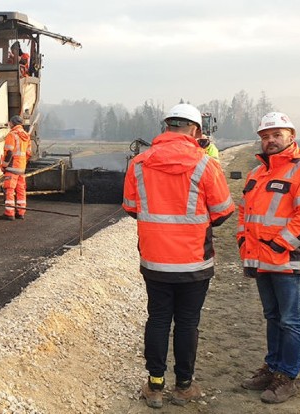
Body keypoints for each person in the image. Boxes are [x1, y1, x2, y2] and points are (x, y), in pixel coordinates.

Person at [122, 103, 234, 408]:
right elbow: (224, 212)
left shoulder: (139, 164)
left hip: (155, 260)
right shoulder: (205, 164)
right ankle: (184, 385)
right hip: (195, 262)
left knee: (158, 318)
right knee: (187, 322)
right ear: (196, 131)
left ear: (165, 127)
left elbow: (131, 207)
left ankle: (154, 386)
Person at [237, 112, 300, 404]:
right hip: (262, 260)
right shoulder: (257, 173)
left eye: (276, 135)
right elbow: (245, 213)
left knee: (290, 320)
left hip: (289, 260)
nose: (270, 141)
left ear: (291, 136)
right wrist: (243, 242)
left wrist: (278, 245)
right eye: (265, 136)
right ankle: (272, 367)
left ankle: (286, 377)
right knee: (273, 317)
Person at [0, 115, 32, 221]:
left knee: (9, 189)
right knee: (21, 190)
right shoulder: (26, 136)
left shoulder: (12, 135)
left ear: (12, 123)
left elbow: (9, 152)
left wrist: (4, 166)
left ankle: (9, 213)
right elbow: (28, 153)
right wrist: (23, 164)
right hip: (21, 168)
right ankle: (21, 212)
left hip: (12, 167)